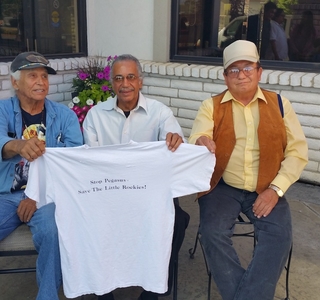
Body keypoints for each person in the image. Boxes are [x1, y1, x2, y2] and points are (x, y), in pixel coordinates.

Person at [188, 40, 308, 300]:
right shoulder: (212, 106)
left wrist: (276, 190)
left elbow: (298, 153)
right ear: (225, 76)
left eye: (247, 68)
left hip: (266, 187)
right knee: (213, 233)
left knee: (279, 237)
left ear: (259, 71)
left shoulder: (279, 105)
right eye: (234, 69)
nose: (241, 75)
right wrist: (200, 141)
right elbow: (197, 134)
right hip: (223, 186)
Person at [82, 54, 190, 300]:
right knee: (90, 221)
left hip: (149, 194)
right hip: (108, 194)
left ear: (140, 81)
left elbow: (175, 138)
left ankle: (153, 289)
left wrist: (175, 139)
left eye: (131, 77)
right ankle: (103, 290)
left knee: (178, 221)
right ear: (111, 83)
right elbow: (90, 163)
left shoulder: (159, 112)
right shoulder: (95, 116)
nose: (125, 84)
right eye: (118, 78)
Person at [0, 51, 83, 300]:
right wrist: (17, 145)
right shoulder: (3, 110)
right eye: (33, 75)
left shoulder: (65, 116)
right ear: (15, 82)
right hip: (8, 194)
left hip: (48, 196)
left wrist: (36, 195)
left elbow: (74, 162)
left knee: (52, 230)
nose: (41, 82)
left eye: (44, 76)